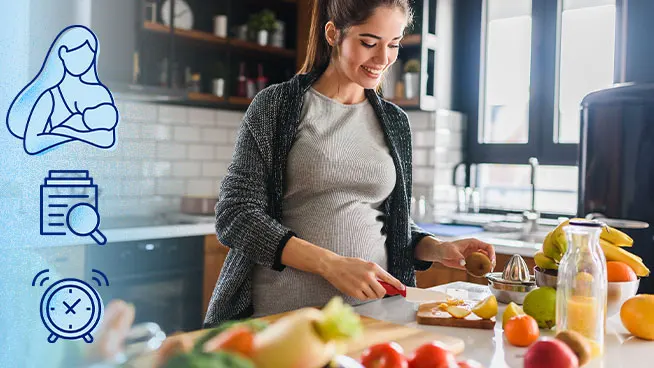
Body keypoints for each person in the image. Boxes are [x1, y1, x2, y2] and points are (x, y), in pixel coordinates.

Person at [204, 0, 496, 327]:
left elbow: (390, 226)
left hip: (371, 318)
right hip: (285, 320)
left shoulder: (395, 122)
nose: (383, 59)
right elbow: (236, 215)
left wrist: (437, 248)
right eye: (368, 43)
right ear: (333, 33)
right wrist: (331, 265)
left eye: (394, 44)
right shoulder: (277, 106)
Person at [6, 25, 118, 155]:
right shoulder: (50, 97)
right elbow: (31, 143)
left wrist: (67, 132)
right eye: (79, 55)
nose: (84, 62)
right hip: (50, 167)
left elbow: (107, 139)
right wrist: (78, 134)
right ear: (63, 53)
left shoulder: (99, 93)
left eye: (89, 57)